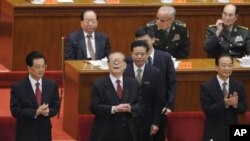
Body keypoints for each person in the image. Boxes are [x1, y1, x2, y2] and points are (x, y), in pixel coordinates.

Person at [134, 26, 177, 141]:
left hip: (159, 108)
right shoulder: (132, 60)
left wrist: (169, 104)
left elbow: (171, 83)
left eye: (145, 41)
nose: (142, 44)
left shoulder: (165, 58)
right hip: (139, 110)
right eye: (139, 41)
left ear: (153, 39)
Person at [89, 52, 142, 141]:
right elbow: (94, 107)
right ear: (108, 65)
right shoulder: (99, 84)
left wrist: (131, 108)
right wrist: (113, 109)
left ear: (125, 65)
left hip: (129, 132)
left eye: (119, 61)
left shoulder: (133, 83)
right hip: (105, 132)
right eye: (113, 61)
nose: (116, 63)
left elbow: (141, 105)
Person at [10, 51, 59, 141]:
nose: (41, 69)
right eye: (38, 67)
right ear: (29, 68)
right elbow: (15, 111)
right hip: (25, 133)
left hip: (44, 132)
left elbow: (56, 107)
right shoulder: (18, 87)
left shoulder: (52, 85)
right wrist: (36, 112)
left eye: (44, 66)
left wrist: (48, 112)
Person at [200, 53, 247, 141]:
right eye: (224, 65)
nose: (227, 69)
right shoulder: (206, 86)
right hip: (214, 131)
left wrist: (236, 105)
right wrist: (224, 103)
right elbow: (207, 110)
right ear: (216, 67)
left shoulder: (238, 85)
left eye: (230, 66)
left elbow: (243, 108)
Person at [124, 40, 164, 141]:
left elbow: (159, 100)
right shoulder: (124, 71)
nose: (139, 57)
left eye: (142, 54)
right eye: (136, 54)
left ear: (147, 54)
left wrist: (156, 122)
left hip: (148, 120)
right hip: (128, 119)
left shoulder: (155, 73)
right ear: (131, 54)